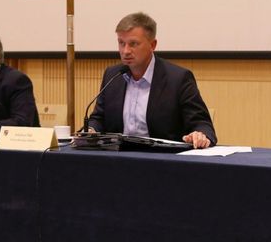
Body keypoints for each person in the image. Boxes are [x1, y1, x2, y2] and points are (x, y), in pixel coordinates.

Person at [88, 12, 217, 149]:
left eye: (133, 44)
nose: (125, 51)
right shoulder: (113, 76)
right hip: (117, 156)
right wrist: (91, 130)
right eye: (121, 43)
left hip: (162, 158)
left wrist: (200, 134)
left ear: (152, 45)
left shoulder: (178, 79)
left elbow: (201, 123)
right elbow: (98, 119)